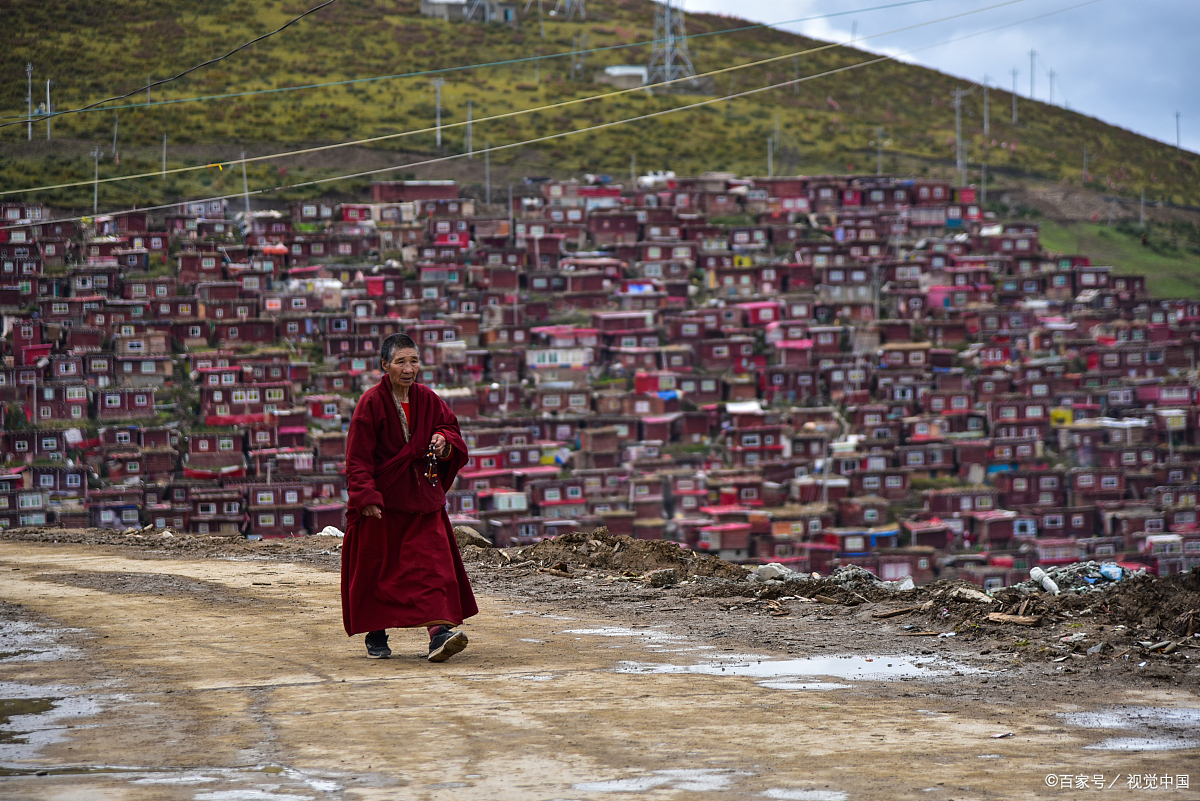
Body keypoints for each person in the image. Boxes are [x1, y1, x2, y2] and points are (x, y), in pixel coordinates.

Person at [341, 333, 478, 662]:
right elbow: (357, 459)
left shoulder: (428, 399)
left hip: (421, 501)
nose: (408, 368)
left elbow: (450, 430)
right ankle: (376, 630)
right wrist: (366, 496)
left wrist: (443, 440)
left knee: (433, 569)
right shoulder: (370, 404)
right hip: (384, 504)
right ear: (384, 365)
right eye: (400, 361)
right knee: (380, 572)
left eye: (414, 361)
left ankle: (438, 634)